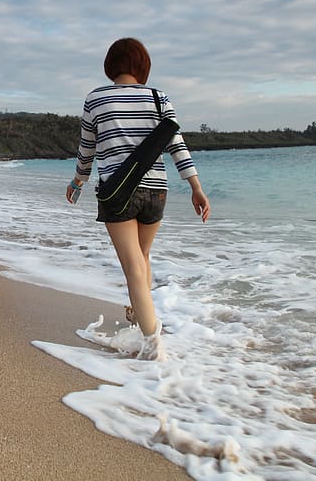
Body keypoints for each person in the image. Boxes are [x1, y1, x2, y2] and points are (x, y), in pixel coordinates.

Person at [66, 38, 210, 357]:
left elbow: (87, 149)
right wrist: (196, 187)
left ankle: (154, 345)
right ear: (142, 65)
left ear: (111, 65)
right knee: (142, 257)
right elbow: (177, 146)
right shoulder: (160, 98)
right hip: (157, 191)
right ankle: (139, 314)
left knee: (133, 266)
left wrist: (78, 180)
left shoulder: (96, 99)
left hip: (118, 192)